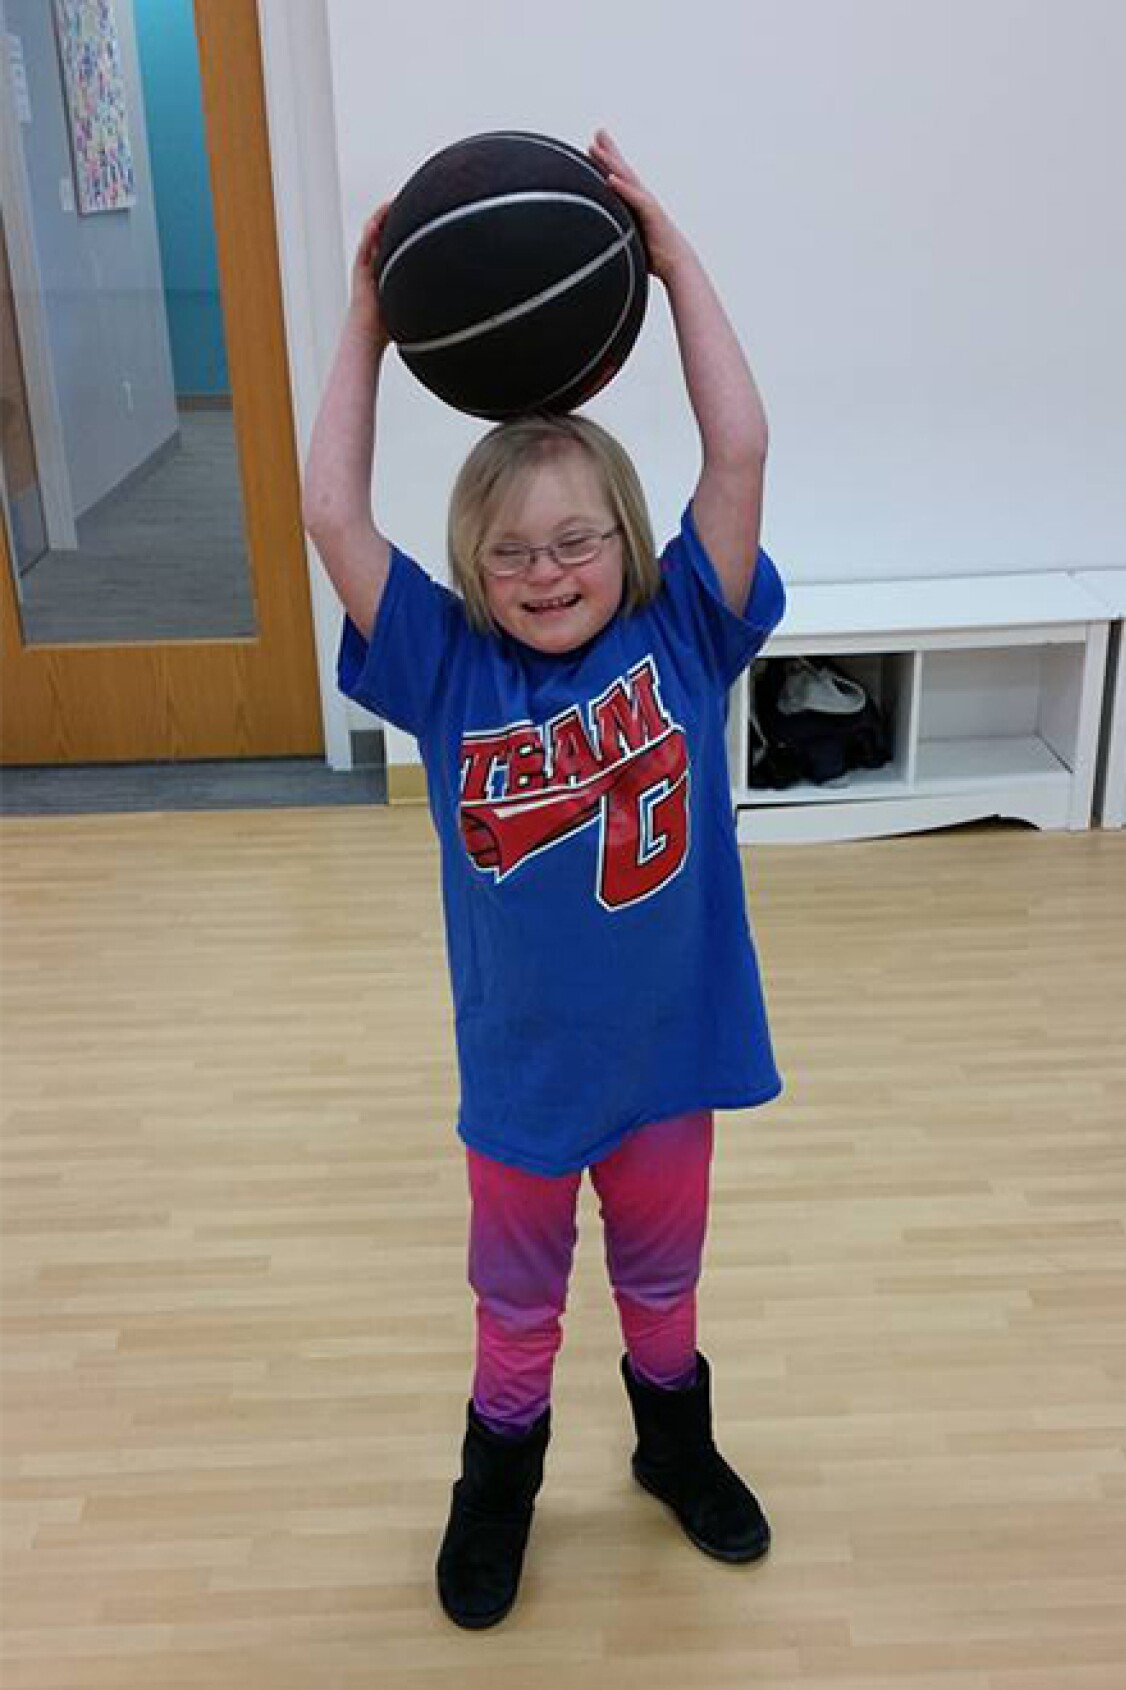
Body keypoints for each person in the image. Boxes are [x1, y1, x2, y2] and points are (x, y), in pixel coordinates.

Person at [302, 129, 785, 1630]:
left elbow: (741, 448)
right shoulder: (449, 668)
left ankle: (673, 1444)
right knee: (515, 1315)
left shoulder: (683, 632)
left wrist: (671, 254)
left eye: (578, 537)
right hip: (518, 1083)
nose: (547, 565)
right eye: (510, 549)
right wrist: (370, 318)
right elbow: (330, 514)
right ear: (473, 565)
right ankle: (498, 1478)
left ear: (626, 543)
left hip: (668, 1069)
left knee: (664, 1293)